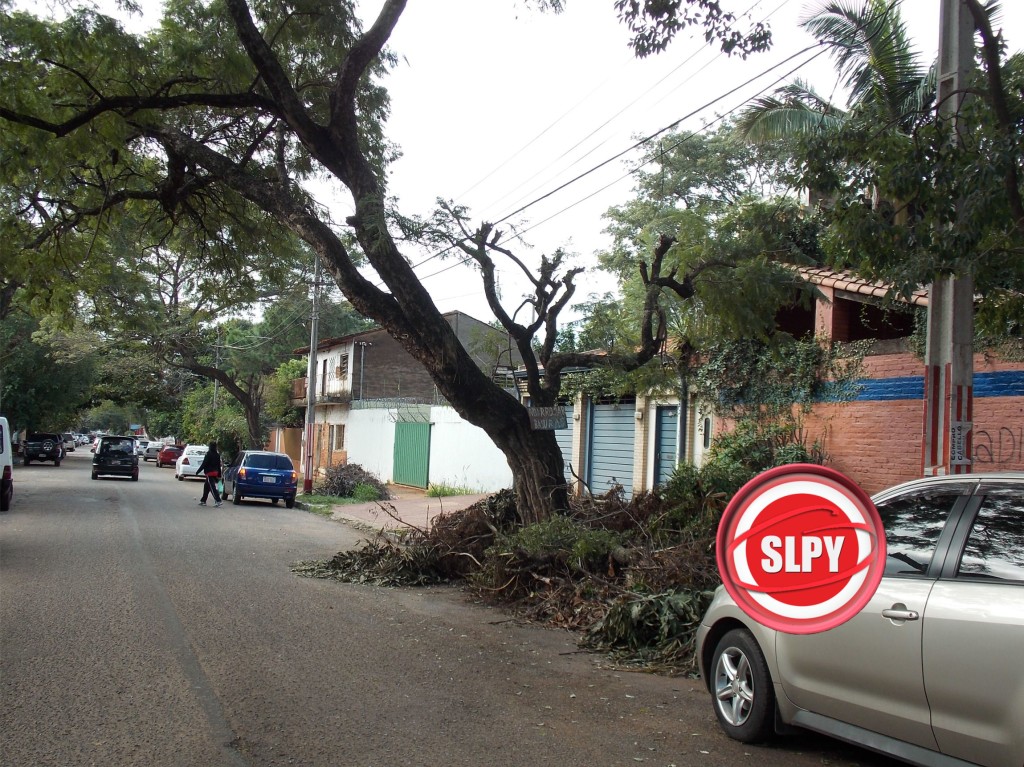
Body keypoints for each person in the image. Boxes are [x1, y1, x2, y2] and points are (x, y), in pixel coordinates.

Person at [195, 442, 222, 507]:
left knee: (212, 487)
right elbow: (219, 465)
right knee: (206, 487)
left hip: (209, 473)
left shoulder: (208, 454)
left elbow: (204, 463)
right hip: (215, 472)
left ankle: (218, 500)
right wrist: (219, 474)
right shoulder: (217, 455)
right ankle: (203, 500)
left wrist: (198, 471)